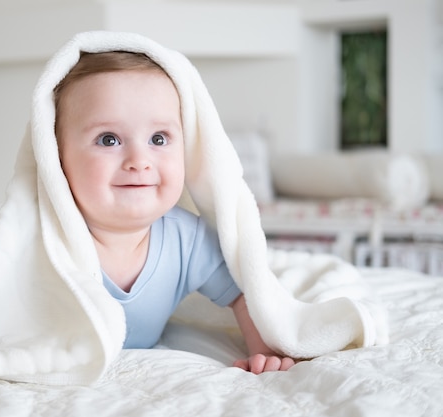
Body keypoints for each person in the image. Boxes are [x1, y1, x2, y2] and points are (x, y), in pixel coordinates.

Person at [53, 51, 295, 374]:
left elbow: (244, 288)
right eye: (108, 139)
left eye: (158, 138)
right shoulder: (46, 238)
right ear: (56, 155)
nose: (139, 160)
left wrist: (264, 351)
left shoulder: (186, 239)